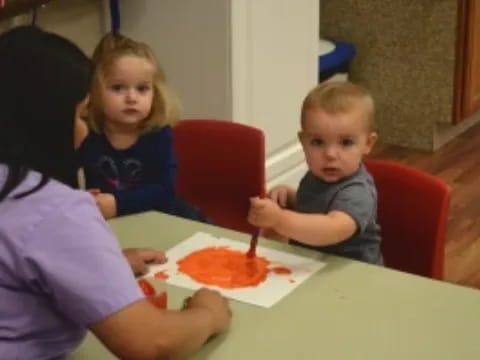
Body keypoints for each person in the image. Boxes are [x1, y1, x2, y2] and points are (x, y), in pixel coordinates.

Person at [0, 26, 231, 359]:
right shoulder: (55, 209)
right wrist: (209, 315)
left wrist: (98, 265)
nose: (84, 131)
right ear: (45, 120)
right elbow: (151, 342)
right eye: (80, 116)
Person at [248, 81, 382, 264]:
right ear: (303, 142)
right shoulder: (317, 176)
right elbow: (317, 206)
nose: (330, 154)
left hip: (353, 276)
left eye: (346, 142)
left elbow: (333, 229)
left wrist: (279, 220)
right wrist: (291, 197)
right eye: (318, 142)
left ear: (368, 144)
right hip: (313, 266)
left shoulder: (357, 192)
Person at [78, 32, 207, 222]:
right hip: (114, 226)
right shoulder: (88, 133)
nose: (132, 98)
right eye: (118, 88)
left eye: (142, 88)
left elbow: (164, 191)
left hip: (167, 219)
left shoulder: (159, 135)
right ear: (94, 92)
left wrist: (118, 204)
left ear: (156, 92)